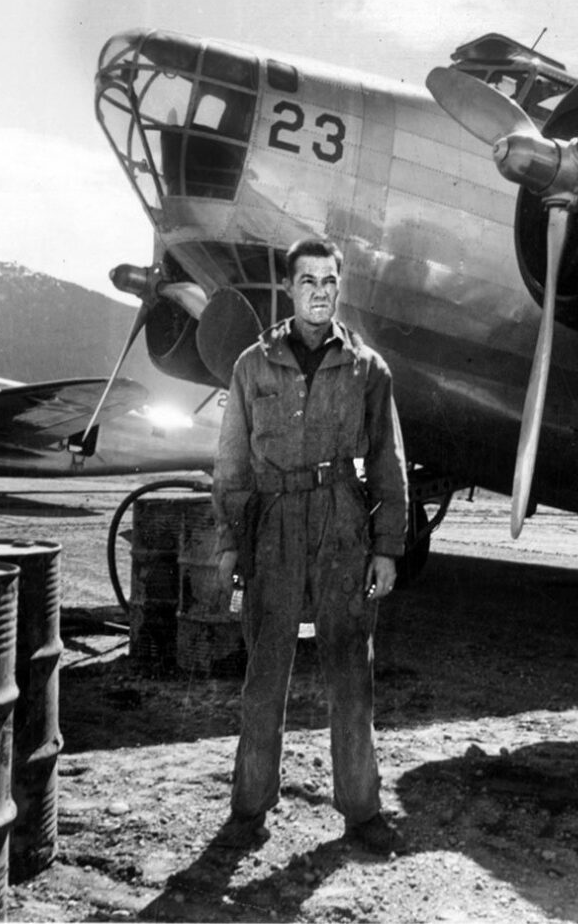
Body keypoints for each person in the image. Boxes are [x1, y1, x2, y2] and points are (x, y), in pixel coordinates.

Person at [211, 237, 409, 854]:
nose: (319, 292)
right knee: (265, 672)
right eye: (307, 281)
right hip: (272, 524)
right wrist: (229, 543)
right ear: (289, 287)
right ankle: (249, 808)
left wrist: (386, 547)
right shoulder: (252, 365)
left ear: (338, 288)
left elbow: (387, 462)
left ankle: (361, 810)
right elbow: (231, 464)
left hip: (341, 521)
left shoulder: (368, 369)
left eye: (329, 281)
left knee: (352, 673)